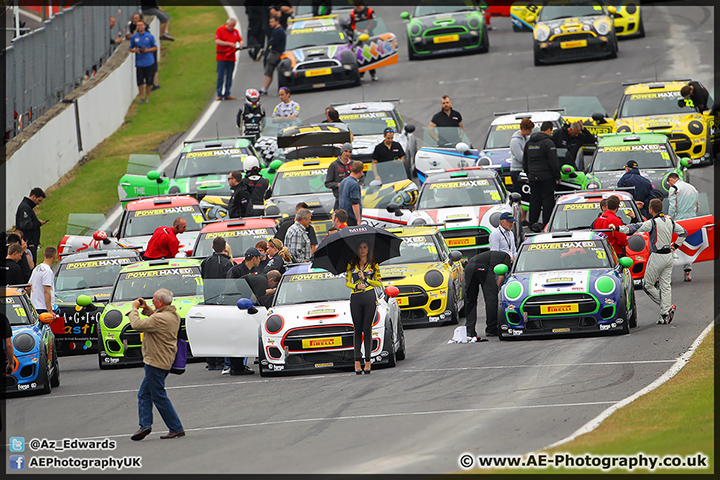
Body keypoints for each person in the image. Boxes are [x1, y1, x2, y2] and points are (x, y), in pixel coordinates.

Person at [612, 199, 687, 324]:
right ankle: (665, 313)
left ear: (651, 210)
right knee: (665, 285)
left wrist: (617, 228)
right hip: (669, 256)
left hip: (657, 256)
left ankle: (667, 308)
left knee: (647, 285)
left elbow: (635, 228)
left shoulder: (652, 223)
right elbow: (683, 232)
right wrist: (675, 246)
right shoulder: (670, 221)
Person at [128, 288, 184, 441]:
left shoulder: (161, 318)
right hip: (162, 360)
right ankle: (145, 425)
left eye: (153, 300)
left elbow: (137, 324)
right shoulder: (172, 315)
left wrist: (134, 309)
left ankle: (175, 427)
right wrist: (147, 309)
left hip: (156, 361)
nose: (152, 301)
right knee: (145, 393)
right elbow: (156, 318)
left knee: (158, 395)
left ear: (160, 302)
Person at [345, 241, 382, 374]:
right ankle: (356, 361)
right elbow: (347, 283)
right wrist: (356, 286)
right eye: (360, 247)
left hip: (369, 297)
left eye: (365, 247)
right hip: (356, 298)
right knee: (357, 329)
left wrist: (366, 280)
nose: (362, 250)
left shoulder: (374, 265)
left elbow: (379, 283)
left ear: (368, 249)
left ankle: (367, 360)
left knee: (367, 328)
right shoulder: (351, 265)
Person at [200, 237, 234, 371]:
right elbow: (229, 282)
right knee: (221, 330)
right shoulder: (226, 263)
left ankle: (211, 361)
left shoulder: (206, 262)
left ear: (213, 247)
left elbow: (203, 277)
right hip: (221, 301)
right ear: (224, 247)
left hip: (209, 300)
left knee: (209, 330)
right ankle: (220, 361)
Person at [522, 121, 561, 232]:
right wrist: (557, 175)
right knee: (547, 200)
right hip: (546, 177)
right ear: (549, 130)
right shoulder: (548, 143)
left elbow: (525, 161)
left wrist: (528, 174)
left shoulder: (529, 142)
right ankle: (546, 224)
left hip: (533, 176)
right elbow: (554, 161)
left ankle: (532, 223)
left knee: (534, 200)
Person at [464, 250, 511, 338]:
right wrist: (496, 288)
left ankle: (470, 331)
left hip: (469, 267)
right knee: (491, 299)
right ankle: (491, 329)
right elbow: (501, 274)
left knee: (470, 300)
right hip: (482, 268)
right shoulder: (506, 257)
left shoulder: (495, 255)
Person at [667, 172, 699, 281]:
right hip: (692, 219)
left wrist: (669, 219)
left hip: (679, 221)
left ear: (671, 180)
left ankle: (668, 275)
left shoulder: (674, 189)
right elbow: (697, 205)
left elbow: (672, 206)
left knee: (674, 245)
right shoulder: (692, 188)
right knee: (689, 245)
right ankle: (688, 272)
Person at [509, 118, 534, 224]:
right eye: (529, 130)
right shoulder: (515, 141)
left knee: (525, 195)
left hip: (525, 169)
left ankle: (523, 219)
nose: (530, 133)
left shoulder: (526, 138)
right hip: (517, 170)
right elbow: (520, 157)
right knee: (518, 195)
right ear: (524, 129)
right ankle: (517, 218)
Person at [129, 19, 158, 104]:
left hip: (149, 61)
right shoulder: (134, 37)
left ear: (144, 26)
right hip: (139, 62)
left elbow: (155, 47)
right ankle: (141, 96)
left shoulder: (149, 36)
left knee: (149, 81)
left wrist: (147, 50)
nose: (140, 27)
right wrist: (136, 50)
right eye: (138, 25)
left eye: (141, 25)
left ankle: (147, 96)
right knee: (140, 81)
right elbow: (130, 48)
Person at [215, 18, 244, 101]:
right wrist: (228, 43)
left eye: (233, 26)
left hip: (231, 56)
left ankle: (227, 93)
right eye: (231, 26)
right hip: (222, 56)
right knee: (221, 75)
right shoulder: (220, 30)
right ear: (227, 24)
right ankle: (219, 94)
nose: (232, 27)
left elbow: (240, 39)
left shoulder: (235, 32)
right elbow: (217, 41)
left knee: (229, 75)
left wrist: (241, 43)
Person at [15, 187, 47, 260]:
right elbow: (25, 225)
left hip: (30, 243)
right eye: (39, 200)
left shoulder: (27, 207)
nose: (39, 203)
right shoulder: (25, 208)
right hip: (28, 244)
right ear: (33, 197)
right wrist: (38, 223)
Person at [350, 0, 377, 81]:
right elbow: (351, 24)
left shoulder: (370, 11)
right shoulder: (352, 13)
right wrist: (354, 30)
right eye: (356, 7)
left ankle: (373, 74)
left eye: (359, 7)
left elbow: (374, 22)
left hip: (368, 35)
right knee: (359, 55)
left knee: (369, 54)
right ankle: (361, 74)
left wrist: (367, 29)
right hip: (358, 36)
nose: (358, 8)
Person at [259, 15, 286, 95]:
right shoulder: (276, 30)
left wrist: (270, 44)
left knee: (269, 70)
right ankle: (264, 88)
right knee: (270, 71)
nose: (270, 24)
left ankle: (264, 88)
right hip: (275, 52)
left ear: (277, 21)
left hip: (276, 53)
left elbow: (273, 42)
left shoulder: (279, 31)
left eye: (272, 22)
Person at [28, 247, 56, 316]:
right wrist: (50, 310)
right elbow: (46, 291)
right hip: (44, 308)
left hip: (34, 307)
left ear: (44, 255)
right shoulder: (47, 271)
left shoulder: (36, 269)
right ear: (55, 257)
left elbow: (28, 287)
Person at [325, 143, 353, 209]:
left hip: (352, 198)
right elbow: (327, 183)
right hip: (340, 199)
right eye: (346, 151)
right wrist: (338, 184)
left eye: (350, 152)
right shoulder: (334, 165)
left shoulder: (354, 164)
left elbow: (361, 177)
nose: (347, 154)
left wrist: (359, 184)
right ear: (342, 152)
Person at [339, 161, 364, 226]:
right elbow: (355, 204)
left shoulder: (343, 181)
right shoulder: (354, 184)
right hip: (351, 218)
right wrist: (358, 220)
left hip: (343, 217)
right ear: (361, 171)